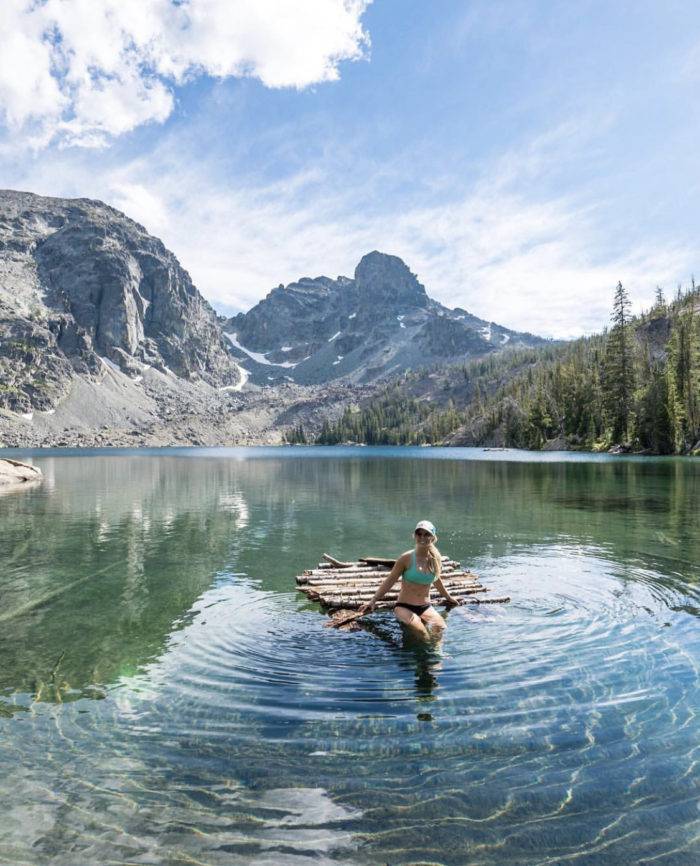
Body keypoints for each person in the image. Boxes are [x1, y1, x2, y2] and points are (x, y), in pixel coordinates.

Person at [357, 520, 461, 638]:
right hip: (404, 606)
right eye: (419, 534)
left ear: (433, 537)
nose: (422, 537)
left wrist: (448, 598)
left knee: (440, 628)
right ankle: (426, 653)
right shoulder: (406, 558)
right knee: (422, 632)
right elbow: (390, 580)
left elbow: (436, 579)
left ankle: (437, 654)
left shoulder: (435, 559)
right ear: (414, 536)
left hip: (425, 607)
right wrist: (373, 601)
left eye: (426, 534)